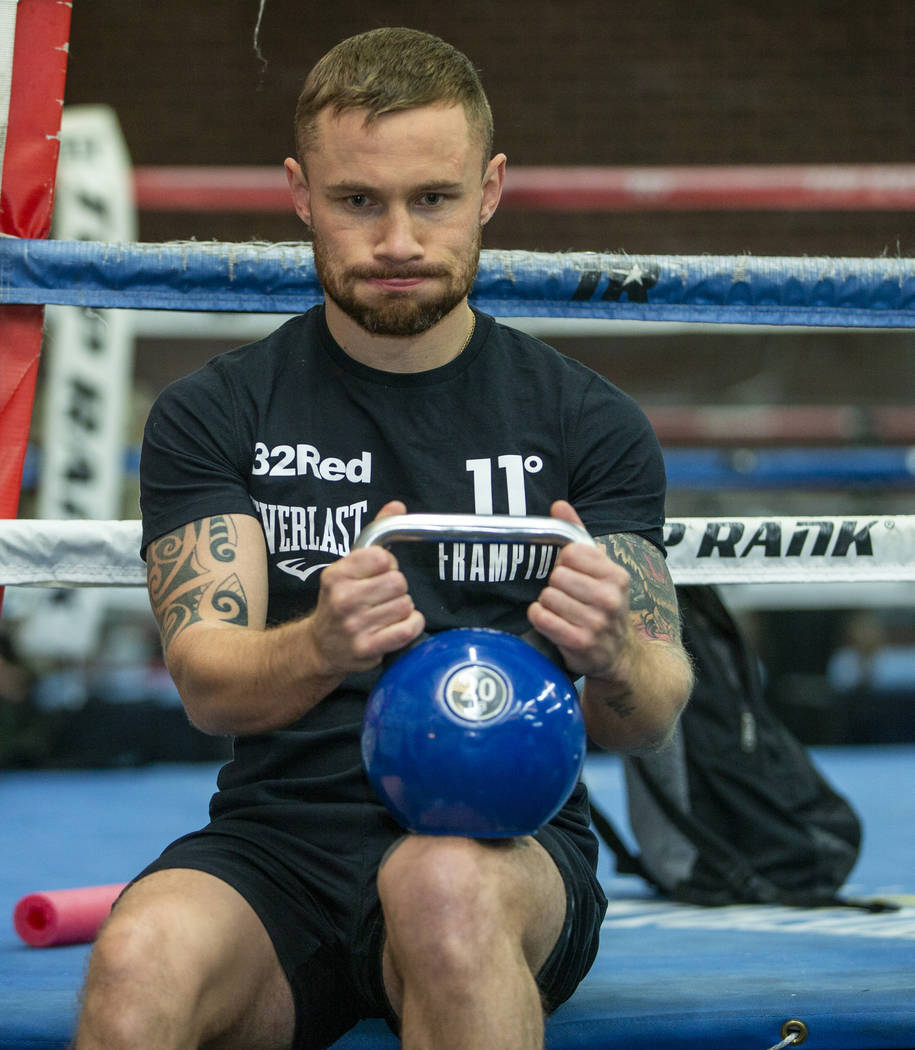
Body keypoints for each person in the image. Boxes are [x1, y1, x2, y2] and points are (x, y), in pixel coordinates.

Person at [74, 26, 693, 1050]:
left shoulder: (588, 422)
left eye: (434, 199)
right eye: (359, 199)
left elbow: (654, 710)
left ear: (490, 189)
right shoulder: (216, 413)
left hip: (505, 845)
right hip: (281, 847)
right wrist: (321, 643)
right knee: (139, 957)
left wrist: (610, 651)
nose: (398, 238)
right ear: (301, 192)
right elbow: (207, 682)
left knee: (439, 883)